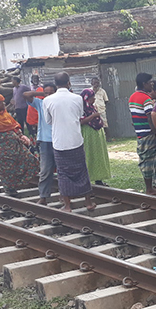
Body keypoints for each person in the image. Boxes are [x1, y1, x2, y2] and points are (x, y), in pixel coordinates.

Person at [43, 72, 96, 212]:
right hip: (75, 140)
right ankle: (88, 202)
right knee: (82, 170)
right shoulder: (77, 98)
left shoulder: (47, 101)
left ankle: (67, 205)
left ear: (55, 84)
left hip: (59, 142)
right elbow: (79, 116)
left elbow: (48, 121)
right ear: (69, 83)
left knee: (63, 173)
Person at [130, 73, 156, 196]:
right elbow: (150, 117)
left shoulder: (132, 97)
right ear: (144, 84)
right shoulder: (146, 99)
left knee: (144, 158)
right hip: (148, 133)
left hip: (139, 132)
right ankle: (150, 188)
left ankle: (150, 186)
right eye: (150, 82)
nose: (152, 84)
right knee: (149, 160)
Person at [24, 84, 56, 204]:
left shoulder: (58, 104)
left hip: (59, 140)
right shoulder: (40, 103)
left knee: (62, 170)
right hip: (45, 141)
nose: (48, 95)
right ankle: (43, 196)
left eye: (51, 92)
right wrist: (44, 94)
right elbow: (26, 95)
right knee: (45, 170)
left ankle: (65, 196)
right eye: (46, 92)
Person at [79, 89, 112, 186]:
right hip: (88, 134)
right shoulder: (81, 109)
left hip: (97, 134)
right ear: (86, 98)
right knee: (89, 155)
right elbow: (81, 122)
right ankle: (87, 179)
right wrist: (93, 116)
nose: (94, 99)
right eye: (91, 98)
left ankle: (99, 179)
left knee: (99, 155)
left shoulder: (93, 107)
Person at [25, 76, 42, 141]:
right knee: (32, 129)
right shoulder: (29, 88)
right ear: (31, 80)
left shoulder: (41, 89)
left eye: (36, 79)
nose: (35, 81)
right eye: (34, 79)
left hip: (38, 110)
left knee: (39, 127)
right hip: (31, 109)